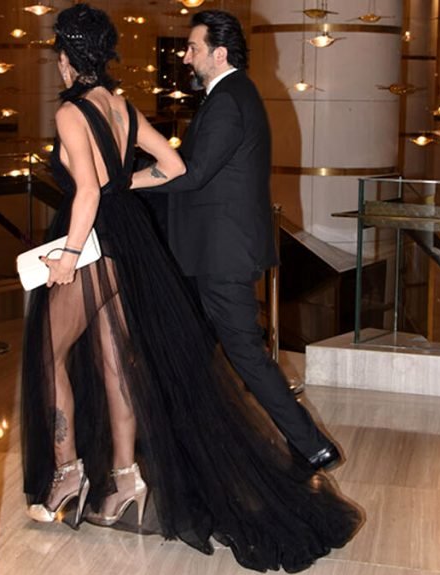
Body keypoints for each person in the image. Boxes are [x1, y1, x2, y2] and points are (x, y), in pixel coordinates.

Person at [21, 4, 362, 573]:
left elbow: (88, 192)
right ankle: (125, 481)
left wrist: (69, 255)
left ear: (68, 58)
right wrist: (121, 187)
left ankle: (66, 474)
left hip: (96, 242)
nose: (57, 63)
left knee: (47, 354)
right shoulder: (122, 107)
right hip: (129, 243)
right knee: (116, 359)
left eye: (59, 54)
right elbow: (175, 167)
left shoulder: (72, 112)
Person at [142, 10, 340, 471]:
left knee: (245, 353)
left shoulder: (229, 100)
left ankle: (312, 445)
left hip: (222, 254)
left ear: (220, 53)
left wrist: (124, 182)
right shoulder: (229, 96)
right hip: (213, 250)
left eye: (193, 48)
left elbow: (192, 174)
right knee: (195, 347)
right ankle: (190, 437)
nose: (185, 57)